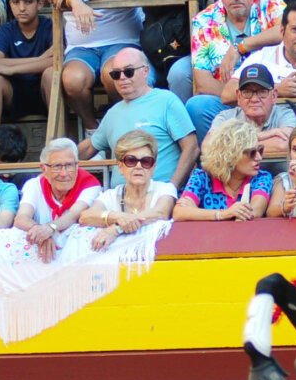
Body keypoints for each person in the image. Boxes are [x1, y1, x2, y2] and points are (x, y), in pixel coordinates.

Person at [46, 0, 139, 134]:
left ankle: (120, 127)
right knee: (71, 80)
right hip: (81, 47)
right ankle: (92, 129)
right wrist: (75, 2)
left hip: (121, 40)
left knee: (114, 75)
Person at [187, 0, 286, 138]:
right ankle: (213, 163)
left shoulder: (269, 1)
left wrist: (240, 47)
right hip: (229, 103)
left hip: (271, 97)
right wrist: (244, 98)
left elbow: (285, 30)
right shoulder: (203, 20)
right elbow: (202, 81)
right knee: (197, 106)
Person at [82, 48, 199, 191]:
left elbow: (191, 148)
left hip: (159, 197)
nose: (122, 77)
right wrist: (53, 159)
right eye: (116, 74)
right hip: (120, 201)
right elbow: (89, 147)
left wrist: (171, 190)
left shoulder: (166, 101)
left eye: (129, 71)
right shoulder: (113, 112)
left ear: (146, 71)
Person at [80, 130, 177, 249]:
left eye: (146, 161)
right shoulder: (111, 195)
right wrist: (117, 217)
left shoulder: (165, 189)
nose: (138, 166)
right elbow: (85, 217)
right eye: (131, 160)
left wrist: (117, 228)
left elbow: (160, 212)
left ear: (153, 167)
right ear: (120, 167)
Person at [0, 0, 53, 134]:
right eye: (15, 2)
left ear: (40, 4)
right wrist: (40, 60)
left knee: (51, 74)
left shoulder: (49, 27)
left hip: (43, 91)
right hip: (14, 92)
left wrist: (11, 68)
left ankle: (58, 141)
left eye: (28, 2)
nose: (21, 8)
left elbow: (56, 61)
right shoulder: (7, 29)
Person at [15, 137, 102, 263]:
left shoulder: (91, 186)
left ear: (77, 165)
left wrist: (49, 229)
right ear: (44, 169)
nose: (64, 173)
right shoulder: (34, 185)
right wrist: (41, 232)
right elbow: (20, 218)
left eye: (69, 165)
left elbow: (73, 215)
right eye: (57, 166)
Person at [173, 116, 272, 221]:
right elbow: (179, 213)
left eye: (260, 150)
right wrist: (224, 214)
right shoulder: (202, 177)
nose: (259, 158)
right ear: (231, 155)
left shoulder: (262, 177)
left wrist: (197, 212)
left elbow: (254, 212)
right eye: (252, 153)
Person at [202, 63, 296, 150]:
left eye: (262, 92)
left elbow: (282, 144)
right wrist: (265, 135)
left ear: (274, 96)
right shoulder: (226, 117)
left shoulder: (287, 115)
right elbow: (207, 146)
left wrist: (229, 146)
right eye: (247, 92)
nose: (254, 99)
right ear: (239, 96)